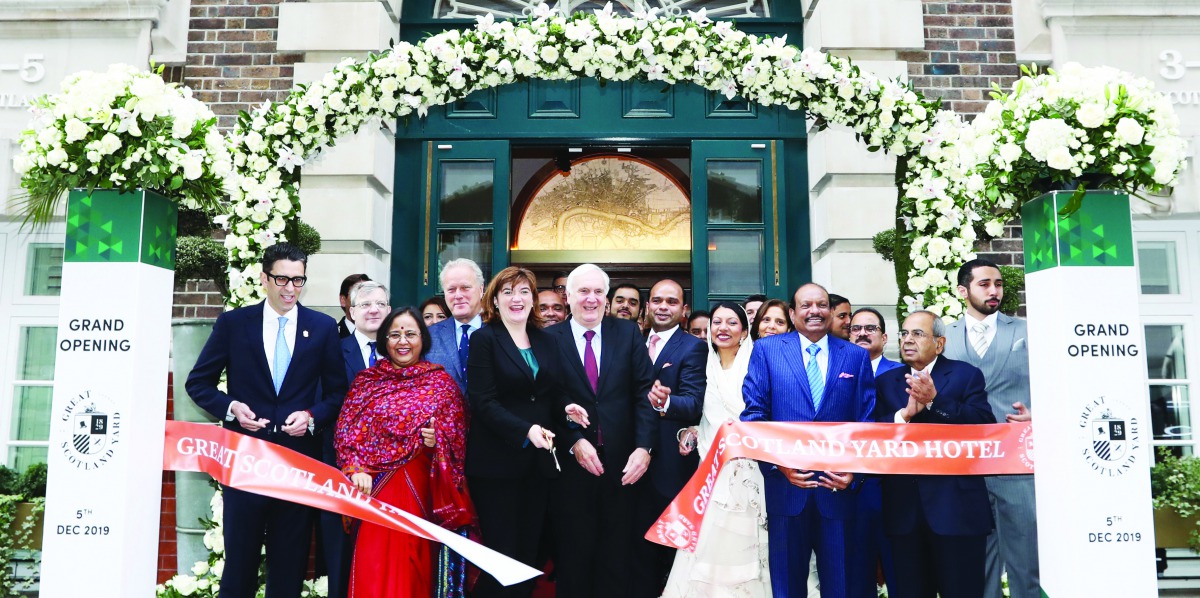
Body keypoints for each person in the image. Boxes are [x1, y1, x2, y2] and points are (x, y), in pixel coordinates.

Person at [185, 242, 348, 598]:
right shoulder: (233, 323)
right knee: (239, 566)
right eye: (282, 279)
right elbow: (197, 383)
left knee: (289, 567)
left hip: (297, 463)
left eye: (298, 280)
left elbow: (338, 393)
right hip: (245, 460)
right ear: (264, 278)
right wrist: (232, 409)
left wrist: (310, 416)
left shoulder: (321, 327)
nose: (290, 288)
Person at [741, 283, 876, 598]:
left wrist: (855, 473)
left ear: (830, 311)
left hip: (838, 491)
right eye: (806, 305)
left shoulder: (855, 357)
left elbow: (866, 422)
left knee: (840, 585)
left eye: (822, 304)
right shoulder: (767, 351)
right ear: (792, 313)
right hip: (787, 491)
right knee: (787, 586)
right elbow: (754, 416)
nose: (815, 311)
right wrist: (779, 466)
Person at [548, 263, 656, 597]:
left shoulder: (627, 334)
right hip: (571, 469)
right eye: (583, 291)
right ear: (568, 297)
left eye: (598, 292)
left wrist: (645, 448)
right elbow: (548, 400)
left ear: (606, 299)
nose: (591, 299)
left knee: (616, 559)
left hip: (623, 468)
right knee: (573, 559)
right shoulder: (548, 340)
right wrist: (574, 440)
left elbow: (645, 393)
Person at [874, 310, 995, 598]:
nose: (908, 340)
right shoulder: (886, 382)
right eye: (904, 334)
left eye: (917, 334)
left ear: (939, 344)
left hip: (957, 512)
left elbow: (983, 428)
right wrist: (903, 415)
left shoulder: (965, 375)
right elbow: (872, 434)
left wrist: (935, 402)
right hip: (904, 514)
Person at [466, 267, 563, 598]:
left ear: (532, 299)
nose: (516, 298)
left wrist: (566, 409)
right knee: (502, 557)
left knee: (528, 555)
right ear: (494, 299)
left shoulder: (546, 340)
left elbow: (551, 393)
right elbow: (482, 401)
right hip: (496, 467)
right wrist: (526, 430)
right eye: (507, 292)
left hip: (537, 468)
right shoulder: (484, 339)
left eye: (523, 291)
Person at [943, 259, 1038, 598]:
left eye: (997, 283)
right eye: (984, 284)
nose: (994, 290)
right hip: (964, 468)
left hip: (1017, 466)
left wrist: (1038, 414)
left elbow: (1058, 383)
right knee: (976, 568)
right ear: (962, 290)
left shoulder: (1027, 330)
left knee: (1028, 564)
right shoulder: (942, 335)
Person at [663, 302, 771, 598]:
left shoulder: (757, 365)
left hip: (750, 471)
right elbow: (706, 414)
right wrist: (692, 431)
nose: (723, 328)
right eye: (717, 322)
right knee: (708, 549)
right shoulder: (703, 365)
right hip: (711, 471)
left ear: (745, 331)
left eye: (732, 323)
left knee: (748, 547)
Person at [633, 279, 708, 598]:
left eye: (672, 302)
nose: (664, 306)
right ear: (648, 306)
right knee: (634, 545)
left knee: (671, 547)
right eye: (658, 300)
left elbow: (693, 402)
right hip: (628, 459)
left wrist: (664, 401)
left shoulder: (694, 346)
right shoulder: (630, 340)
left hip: (669, 463)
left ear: (683, 309)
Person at [323, 280, 390, 598]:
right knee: (340, 553)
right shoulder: (332, 350)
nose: (373, 309)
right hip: (341, 469)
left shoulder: (405, 351)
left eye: (380, 303)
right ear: (351, 310)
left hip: (394, 473)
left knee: (385, 553)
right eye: (365, 304)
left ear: (389, 310)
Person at [848, 307, 902, 598]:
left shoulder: (901, 374)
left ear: (884, 336)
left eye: (870, 328)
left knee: (900, 572)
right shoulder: (835, 373)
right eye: (856, 328)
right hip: (849, 488)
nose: (862, 333)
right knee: (856, 575)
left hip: (893, 487)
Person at [426, 259, 485, 393]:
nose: (458, 295)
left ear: (481, 290)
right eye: (451, 289)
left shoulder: (500, 331)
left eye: (465, 288)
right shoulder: (429, 336)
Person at [337, 273, 371, 338]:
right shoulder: (332, 335)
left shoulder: (382, 336)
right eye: (357, 295)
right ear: (343, 300)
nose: (365, 301)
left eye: (368, 294)